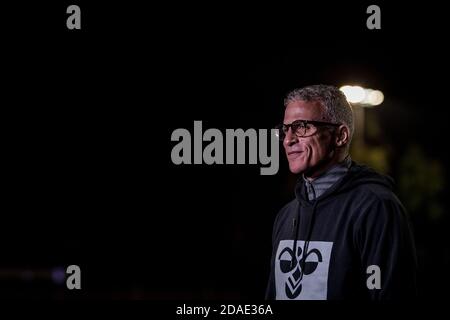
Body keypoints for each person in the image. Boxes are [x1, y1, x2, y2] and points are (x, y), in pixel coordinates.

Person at [265, 84, 417, 300]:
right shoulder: (287, 215)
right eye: (286, 129)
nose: (289, 140)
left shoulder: (376, 208)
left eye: (302, 127)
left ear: (340, 136)